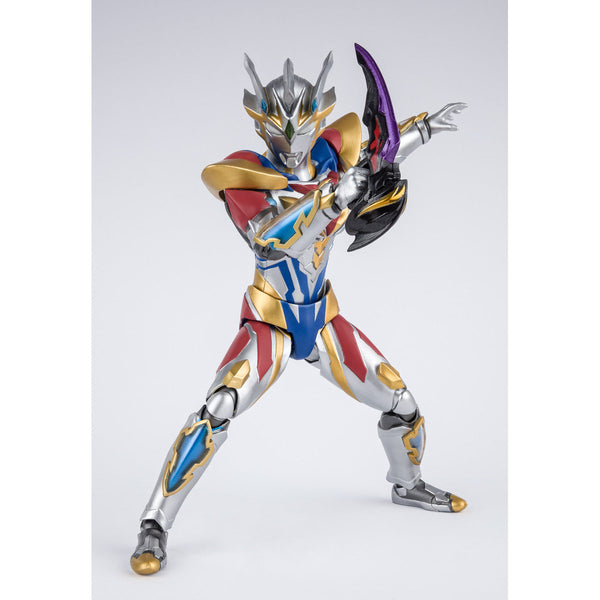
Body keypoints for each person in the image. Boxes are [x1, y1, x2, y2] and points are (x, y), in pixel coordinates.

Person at [131, 48, 467, 575]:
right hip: (271, 322)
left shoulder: (332, 160)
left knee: (401, 402)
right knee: (218, 407)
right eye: (278, 135)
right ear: (261, 128)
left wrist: (422, 130)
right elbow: (269, 241)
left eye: (301, 133)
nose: (290, 147)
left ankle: (407, 484)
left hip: (322, 319)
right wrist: (332, 202)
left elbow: (377, 156)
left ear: (317, 121)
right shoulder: (246, 178)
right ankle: (154, 523)